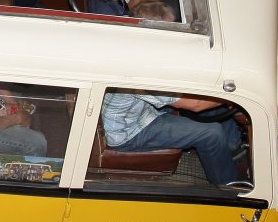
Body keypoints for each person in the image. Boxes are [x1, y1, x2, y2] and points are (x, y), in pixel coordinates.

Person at [101, 77, 249, 188]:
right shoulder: (141, 77)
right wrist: (232, 97)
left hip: (138, 110)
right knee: (212, 134)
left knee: (212, 106)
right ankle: (228, 186)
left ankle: (230, 148)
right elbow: (196, 105)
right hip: (128, 132)